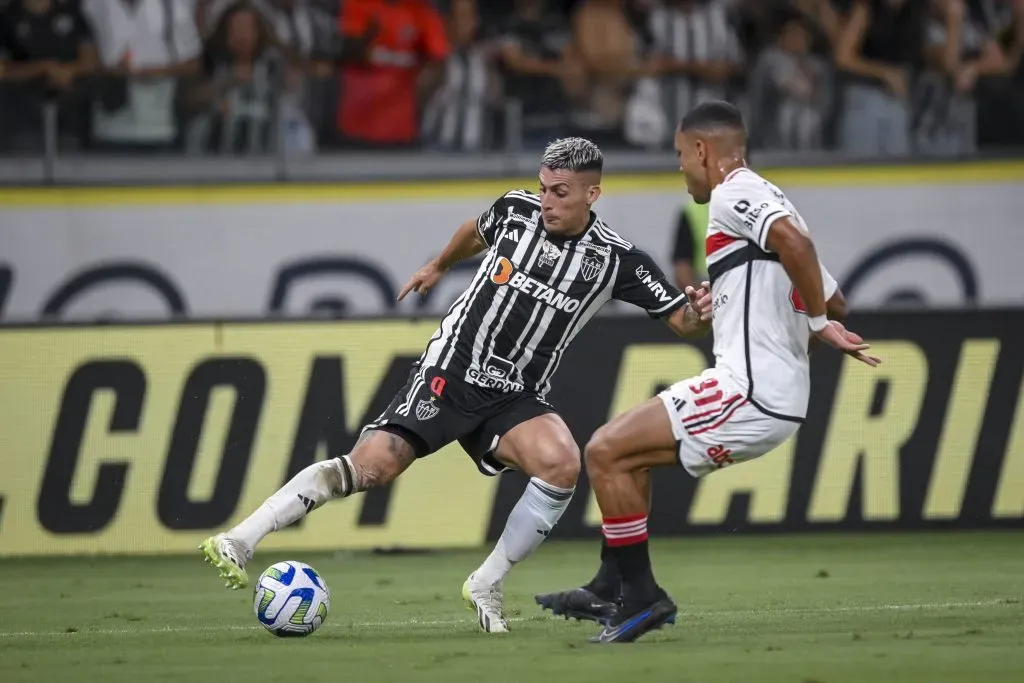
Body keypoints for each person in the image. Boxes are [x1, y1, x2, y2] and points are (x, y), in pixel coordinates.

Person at [200, 136, 714, 634]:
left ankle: (486, 583)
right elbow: (477, 229)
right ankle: (240, 540)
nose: (547, 201)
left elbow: (681, 321)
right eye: (543, 188)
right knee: (372, 467)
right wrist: (438, 264)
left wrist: (703, 309)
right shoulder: (516, 210)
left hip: (514, 393)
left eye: (560, 192)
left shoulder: (618, 261)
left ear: (591, 194)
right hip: (452, 370)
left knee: (561, 464)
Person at [535, 101, 880, 644]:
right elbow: (835, 299)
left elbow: (801, 252)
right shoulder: (769, 200)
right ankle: (611, 584)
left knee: (603, 451)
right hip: (772, 393)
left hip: (748, 389)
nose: (679, 167)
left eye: (679, 155)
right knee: (627, 459)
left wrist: (810, 321)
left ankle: (641, 597)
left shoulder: (733, 190)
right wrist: (755, 308)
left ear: (702, 150)